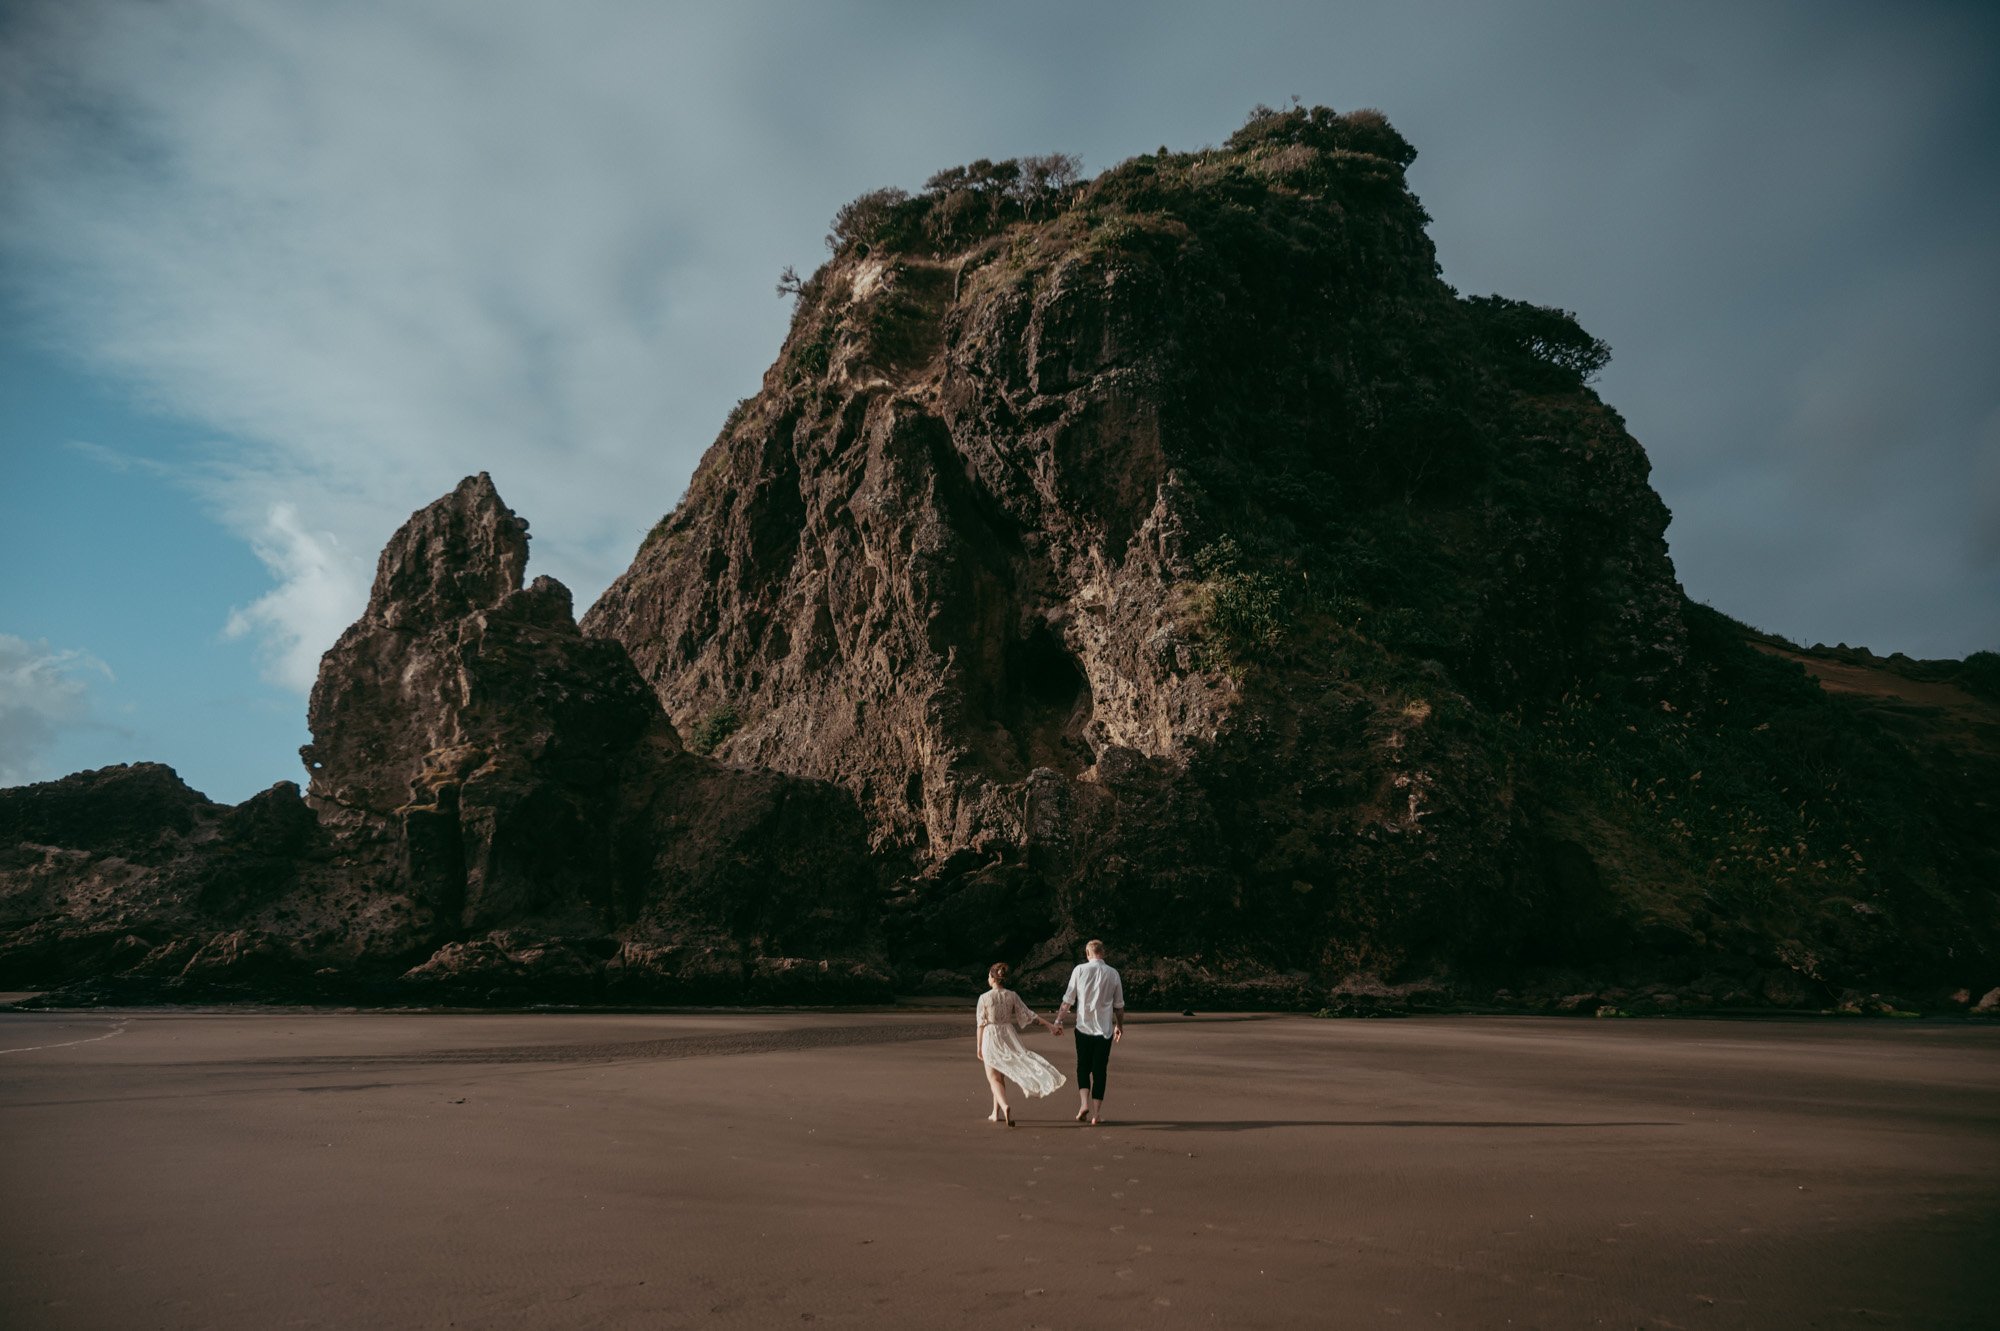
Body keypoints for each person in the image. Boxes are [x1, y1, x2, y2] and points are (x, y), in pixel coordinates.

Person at [975, 962, 1065, 1126]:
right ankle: (995, 1113)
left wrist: (979, 1047)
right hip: (1008, 1036)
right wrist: (1050, 1025)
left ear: (992, 978)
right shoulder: (1012, 995)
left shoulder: (984, 998)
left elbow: (980, 1024)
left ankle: (1004, 1106)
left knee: (993, 1078)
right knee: (1001, 1075)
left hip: (991, 1035)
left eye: (989, 976)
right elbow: (1029, 1015)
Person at [1051, 939, 1124, 1125]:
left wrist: (1059, 1021)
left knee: (1082, 1066)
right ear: (1103, 953)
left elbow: (1068, 1000)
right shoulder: (1113, 973)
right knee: (1100, 1071)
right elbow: (1119, 1006)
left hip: (1083, 1027)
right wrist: (1119, 1026)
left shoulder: (1079, 970)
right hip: (1104, 1031)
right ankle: (1096, 1114)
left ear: (1087, 953)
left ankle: (1083, 1104)